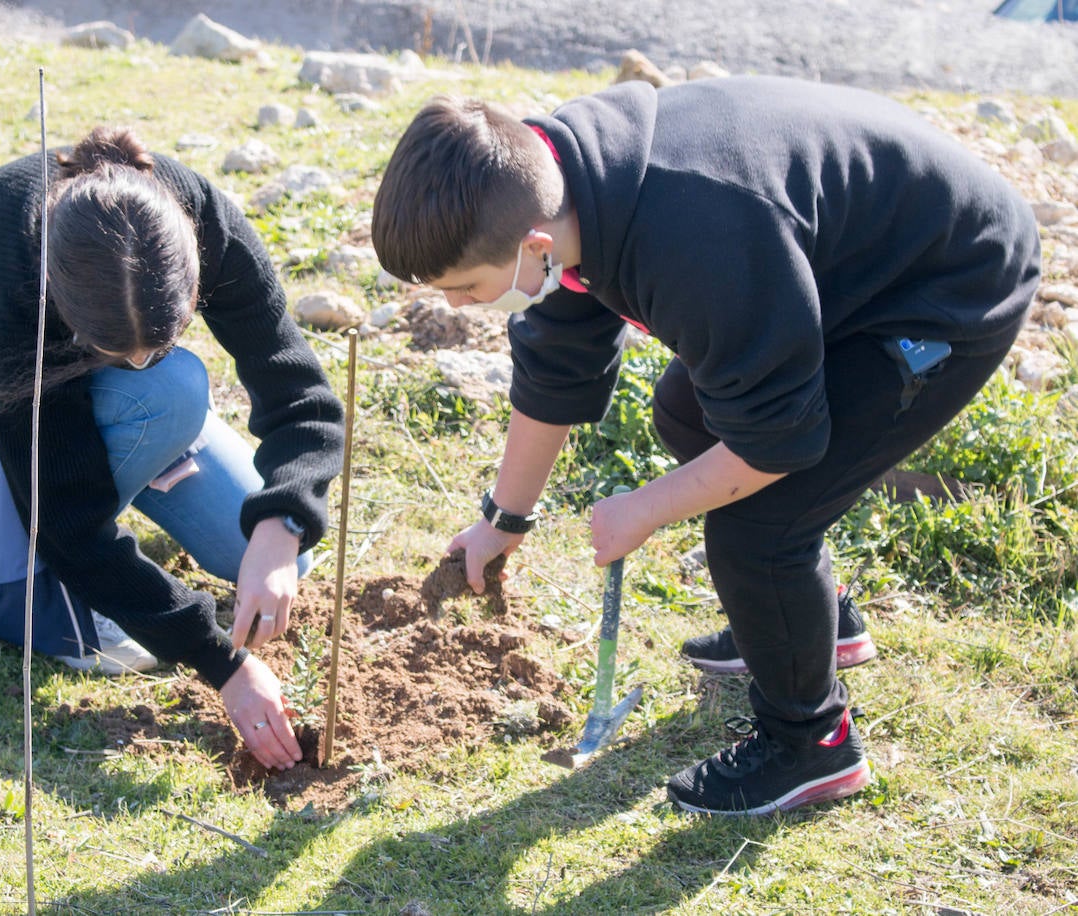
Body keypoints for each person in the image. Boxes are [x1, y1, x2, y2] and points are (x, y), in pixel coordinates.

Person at [370, 77, 1040, 814]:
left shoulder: (695, 242)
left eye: (464, 287)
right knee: (689, 414)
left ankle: (810, 746)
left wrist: (646, 509)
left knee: (763, 527)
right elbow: (558, 368)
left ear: (533, 248)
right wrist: (505, 520)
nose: (457, 305)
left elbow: (778, 440)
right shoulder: (558, 183)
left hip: (947, 284)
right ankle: (820, 621)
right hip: (845, 261)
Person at [0, 126, 345, 771]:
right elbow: (68, 522)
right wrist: (224, 664)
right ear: (64, 306)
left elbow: (300, 392)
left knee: (269, 554)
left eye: (155, 343)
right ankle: (41, 528)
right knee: (163, 396)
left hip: (75, 367)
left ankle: (135, 439)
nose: (135, 362)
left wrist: (284, 521)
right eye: (115, 353)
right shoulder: (11, 274)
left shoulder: (203, 220)